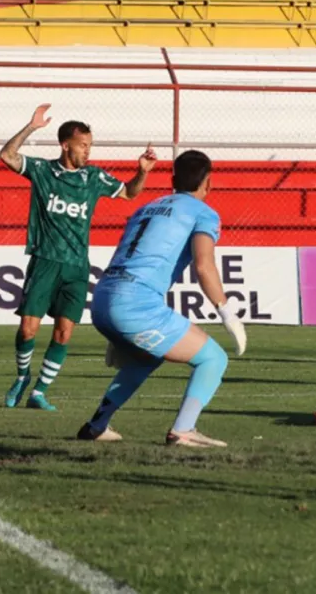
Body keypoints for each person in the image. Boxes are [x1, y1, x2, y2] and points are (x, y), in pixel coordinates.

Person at [76, 150, 247, 447]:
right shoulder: (203, 212)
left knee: (145, 359)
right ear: (208, 183)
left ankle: (96, 426)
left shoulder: (146, 207)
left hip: (103, 296)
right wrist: (227, 312)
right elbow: (204, 265)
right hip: (134, 303)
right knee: (213, 358)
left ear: (172, 180)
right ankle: (183, 430)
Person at [0, 104, 156, 412]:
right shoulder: (43, 171)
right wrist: (31, 127)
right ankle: (21, 377)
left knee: (64, 332)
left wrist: (142, 172)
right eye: (83, 145)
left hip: (76, 266)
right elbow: (7, 156)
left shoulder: (93, 177)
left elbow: (129, 194)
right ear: (65, 144)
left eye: (90, 145)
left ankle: (39, 392)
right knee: (28, 329)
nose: (87, 151)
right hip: (45, 260)